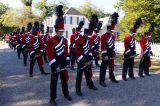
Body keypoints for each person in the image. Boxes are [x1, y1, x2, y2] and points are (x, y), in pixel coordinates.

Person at [47, 5, 72, 106]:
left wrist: (67, 62)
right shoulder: (51, 40)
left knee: (64, 80)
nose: (61, 33)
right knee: (54, 83)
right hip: (55, 65)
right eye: (60, 32)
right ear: (56, 31)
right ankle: (52, 98)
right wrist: (55, 66)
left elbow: (66, 52)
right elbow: (50, 54)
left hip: (63, 64)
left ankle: (66, 94)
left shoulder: (65, 40)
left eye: (62, 32)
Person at [99, 13, 119, 87]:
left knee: (111, 67)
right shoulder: (103, 37)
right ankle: (101, 81)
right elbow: (103, 47)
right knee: (103, 68)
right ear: (108, 30)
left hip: (111, 54)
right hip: (106, 55)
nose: (112, 32)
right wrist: (104, 55)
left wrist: (114, 52)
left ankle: (112, 78)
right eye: (111, 31)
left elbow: (112, 46)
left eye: (112, 31)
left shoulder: (113, 37)